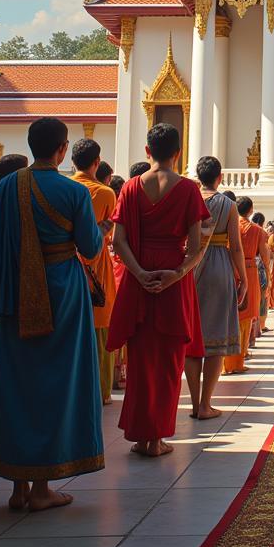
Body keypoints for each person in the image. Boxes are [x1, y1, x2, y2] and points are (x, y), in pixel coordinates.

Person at [0, 116, 106, 511]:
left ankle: (18, 485)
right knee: (56, 382)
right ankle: (43, 488)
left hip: (16, 290)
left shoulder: (6, 188)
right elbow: (91, 247)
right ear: (63, 149)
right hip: (62, 290)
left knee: (18, 381)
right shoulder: (73, 192)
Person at [107, 123, 207, 457]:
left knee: (140, 360)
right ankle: (157, 439)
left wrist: (139, 273)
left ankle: (141, 436)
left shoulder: (131, 188)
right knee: (168, 362)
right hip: (172, 281)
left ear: (148, 151)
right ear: (178, 152)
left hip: (140, 279)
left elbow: (118, 242)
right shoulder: (189, 190)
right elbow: (195, 248)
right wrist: (175, 275)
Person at [187, 156, 245, 419]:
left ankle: (194, 401)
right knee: (216, 337)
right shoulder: (228, 205)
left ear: (198, 177)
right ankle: (205, 405)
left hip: (190, 267)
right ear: (220, 177)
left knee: (192, 337)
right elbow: (236, 244)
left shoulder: (189, 199)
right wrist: (242, 277)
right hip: (220, 267)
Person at [69, 138, 118, 405]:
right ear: (96, 163)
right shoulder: (106, 193)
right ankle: (101, 391)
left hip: (65, 263)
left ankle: (75, 389)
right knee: (100, 328)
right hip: (97, 264)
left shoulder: (64, 188)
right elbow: (111, 231)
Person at [224, 198, 270, 371]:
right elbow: (264, 256)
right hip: (249, 270)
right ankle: (239, 358)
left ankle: (227, 360)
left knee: (231, 313)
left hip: (229, 267)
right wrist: (268, 275)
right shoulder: (257, 230)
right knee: (247, 313)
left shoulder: (229, 226)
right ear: (250, 210)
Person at [251, 212, 270, 335]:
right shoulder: (261, 232)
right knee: (261, 297)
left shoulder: (239, 227)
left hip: (242, 265)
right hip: (258, 267)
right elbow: (265, 255)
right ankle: (258, 327)